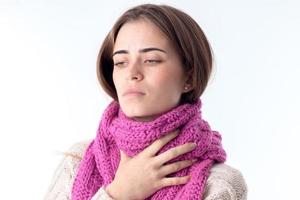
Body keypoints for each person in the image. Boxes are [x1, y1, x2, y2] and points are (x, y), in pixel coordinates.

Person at [44, 3, 247, 200]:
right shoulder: (78, 161)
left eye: (151, 60)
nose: (131, 73)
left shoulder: (221, 184)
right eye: (121, 62)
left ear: (189, 78)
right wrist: (118, 194)